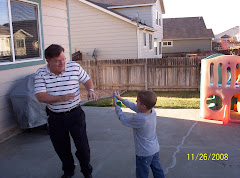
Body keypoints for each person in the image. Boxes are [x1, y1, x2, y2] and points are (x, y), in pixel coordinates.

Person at [34, 44, 97, 178]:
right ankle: (68, 171)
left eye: (63, 59)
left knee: (83, 148)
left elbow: (87, 80)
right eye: (57, 60)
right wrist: (61, 98)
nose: (62, 63)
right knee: (62, 148)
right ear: (48, 61)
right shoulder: (41, 73)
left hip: (75, 115)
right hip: (55, 117)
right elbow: (40, 96)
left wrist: (90, 90)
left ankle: (87, 172)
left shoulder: (74, 67)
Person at [113, 90, 165, 178]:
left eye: (137, 101)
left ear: (143, 106)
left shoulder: (140, 118)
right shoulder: (152, 111)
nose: (136, 102)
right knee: (157, 170)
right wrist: (121, 99)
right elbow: (135, 106)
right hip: (154, 149)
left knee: (142, 174)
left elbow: (124, 120)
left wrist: (117, 107)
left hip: (144, 153)